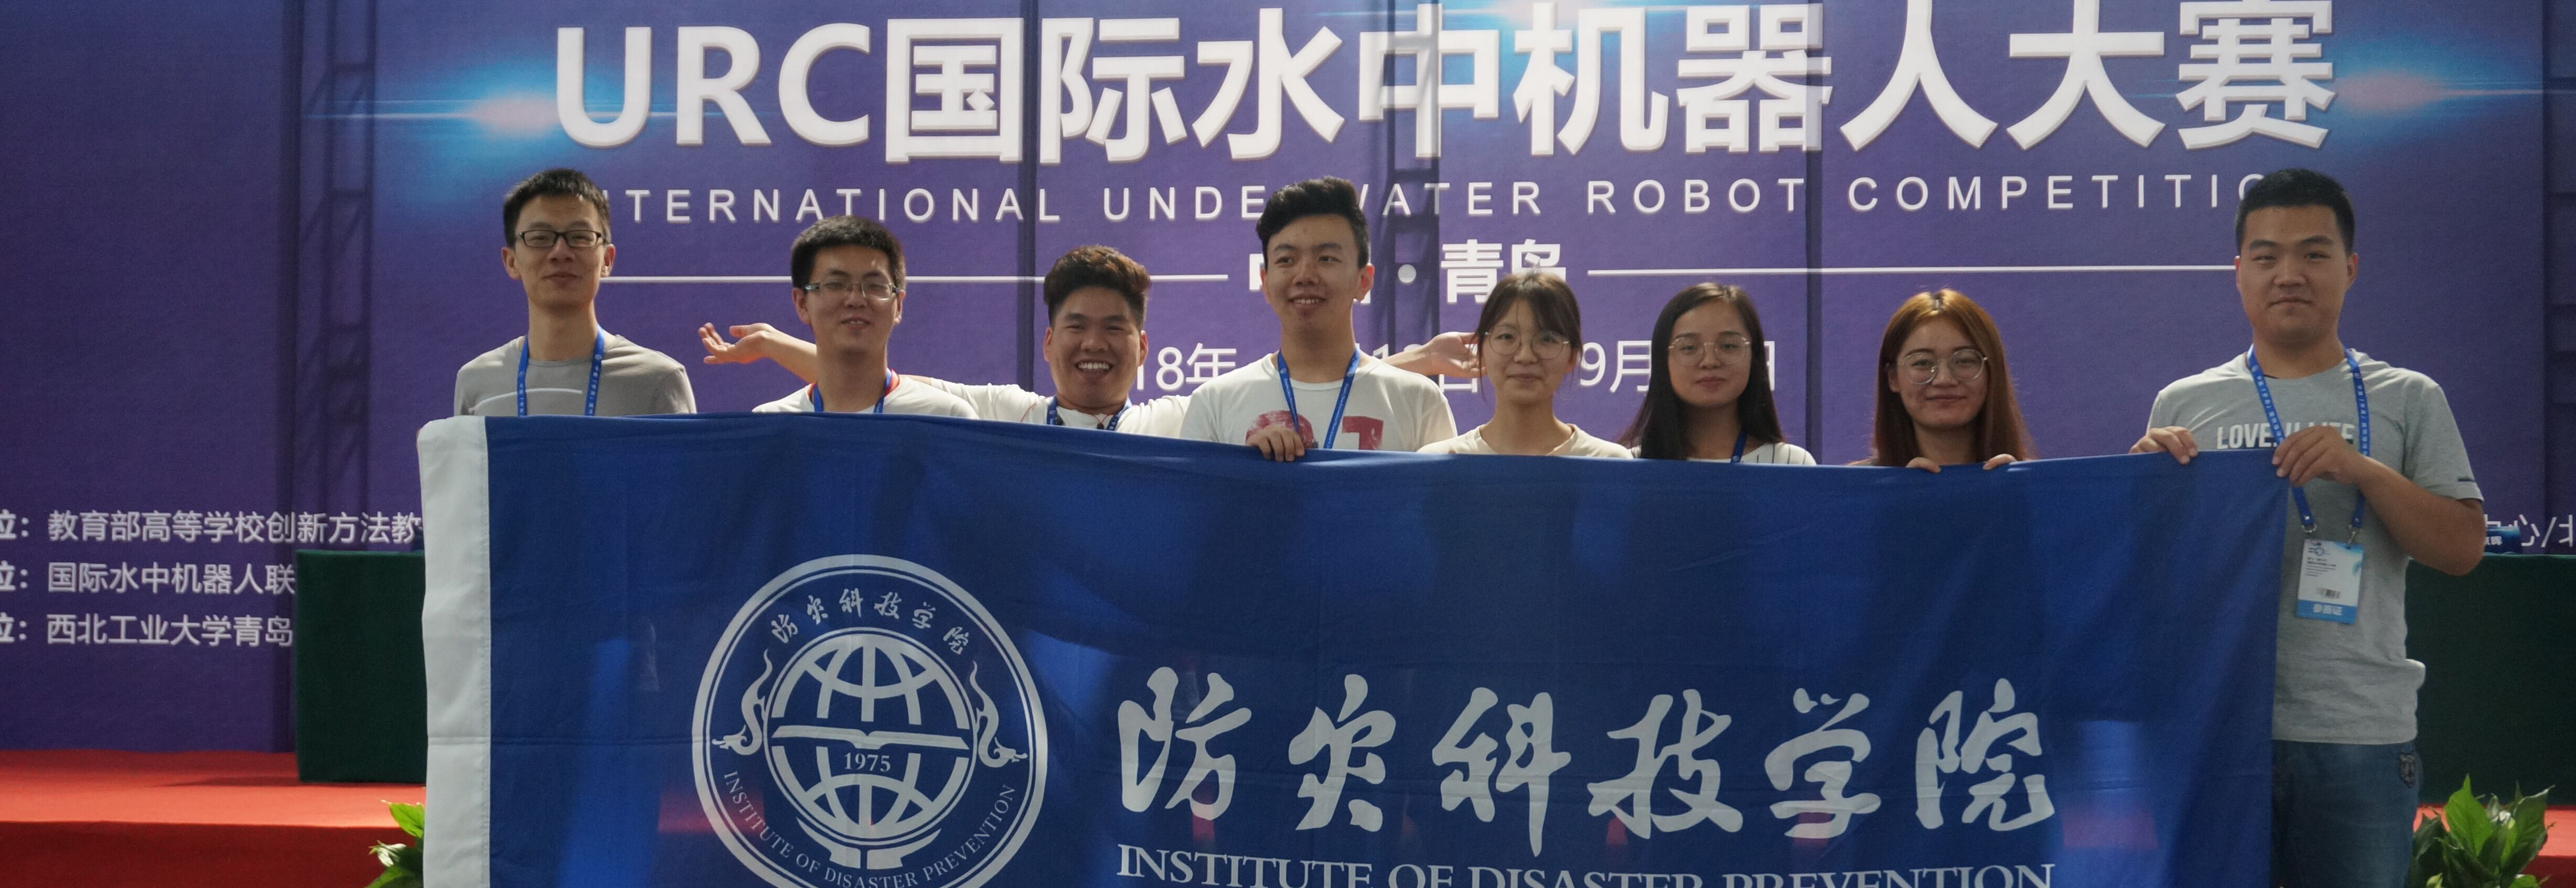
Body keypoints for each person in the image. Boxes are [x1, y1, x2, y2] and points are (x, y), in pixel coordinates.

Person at [2131, 168, 2483, 887]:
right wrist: (2141, 492)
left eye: (2313, 253)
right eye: (2266, 256)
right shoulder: (2184, 404)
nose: (2288, 274)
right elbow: (2149, 577)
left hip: (2358, 733)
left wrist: (2364, 472)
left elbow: (2460, 548)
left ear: (2349, 268)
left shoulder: (2408, 397)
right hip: (2218, 730)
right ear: (2238, 272)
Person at [699, 246, 1477, 435]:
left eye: (1114, 329)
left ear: (1143, 347)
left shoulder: (1178, 420)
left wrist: (1407, 364)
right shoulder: (1007, 416)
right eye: (1076, 326)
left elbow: (1284, 384)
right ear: (1048, 343)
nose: (1093, 344)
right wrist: (779, 346)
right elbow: (882, 382)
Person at [1178, 177, 1458, 459]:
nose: (1305, 276)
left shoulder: (1420, 402)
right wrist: (1244, 469)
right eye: (1286, 260)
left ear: (1363, 281)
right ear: (1265, 282)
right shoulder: (1214, 404)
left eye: (1326, 259)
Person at [454, 168, 694, 417]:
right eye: (540, 238)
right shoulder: (477, 382)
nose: (560, 252)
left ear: (607, 260)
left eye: (580, 237)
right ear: (511, 261)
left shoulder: (657, 380)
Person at [750, 215, 973, 417]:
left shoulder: (946, 417)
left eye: (875, 285)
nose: (856, 300)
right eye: (835, 284)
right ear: (802, 304)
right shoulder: (771, 422)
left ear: (898, 306)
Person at [1420, 272, 1629, 458]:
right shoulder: (1439, 462)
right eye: (1507, 336)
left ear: (1572, 357)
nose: (1525, 356)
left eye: (1547, 339)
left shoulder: (1608, 463)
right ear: (1482, 350)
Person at [1619, 284, 1815, 463]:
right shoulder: (1630, 465)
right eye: (1689, 348)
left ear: (1754, 357)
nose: (1710, 362)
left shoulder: (1792, 464)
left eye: (1728, 346)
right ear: (1663, 361)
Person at [1860, 289, 2031, 471]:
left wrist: (2019, 487)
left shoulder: (2038, 483)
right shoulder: (1852, 486)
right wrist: (1897, 488)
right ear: (1893, 378)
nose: (1944, 379)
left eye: (1964, 361)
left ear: (1991, 372)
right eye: (1923, 363)